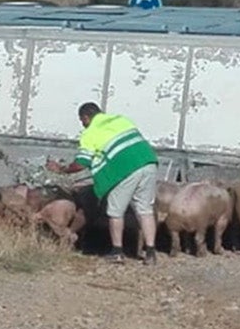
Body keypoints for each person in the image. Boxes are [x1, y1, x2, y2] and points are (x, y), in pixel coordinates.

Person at [49, 102, 158, 264]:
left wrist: (61, 169)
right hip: (148, 162)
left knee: (115, 211)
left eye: (82, 121)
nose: (83, 125)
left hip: (124, 170)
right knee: (145, 209)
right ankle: (150, 253)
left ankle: (117, 252)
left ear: (86, 117)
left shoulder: (90, 133)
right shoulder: (121, 120)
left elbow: (81, 163)